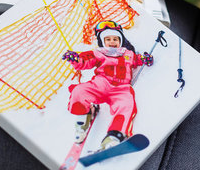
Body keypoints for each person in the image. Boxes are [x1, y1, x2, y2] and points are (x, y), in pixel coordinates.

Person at [62, 20, 153, 150]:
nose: (112, 41)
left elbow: (137, 59)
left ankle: (114, 135)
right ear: (102, 42)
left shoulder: (128, 54)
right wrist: (76, 58)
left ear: (120, 40)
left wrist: (144, 59)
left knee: (127, 105)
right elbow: (85, 60)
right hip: (101, 84)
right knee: (79, 91)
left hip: (121, 89)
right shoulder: (99, 53)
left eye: (115, 39)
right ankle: (84, 117)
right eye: (108, 39)